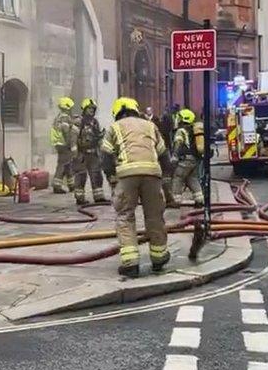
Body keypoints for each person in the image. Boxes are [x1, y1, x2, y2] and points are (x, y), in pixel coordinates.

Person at [101, 97, 173, 278]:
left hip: (126, 175)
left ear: (117, 113)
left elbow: (105, 155)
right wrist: (165, 178)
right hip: (152, 174)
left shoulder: (115, 127)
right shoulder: (150, 125)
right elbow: (164, 154)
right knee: (155, 216)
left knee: (125, 216)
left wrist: (111, 177)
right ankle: (159, 257)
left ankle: (131, 263)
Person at [72, 98, 106, 205]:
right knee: (81, 175)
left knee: (96, 175)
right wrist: (74, 151)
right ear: (85, 109)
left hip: (93, 153)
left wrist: (102, 149)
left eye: (93, 109)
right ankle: (80, 198)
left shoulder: (95, 122)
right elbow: (73, 137)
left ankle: (99, 197)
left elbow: (98, 138)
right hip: (81, 153)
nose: (91, 110)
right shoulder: (78, 121)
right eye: (89, 108)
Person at [171, 108, 204, 206]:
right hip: (194, 159)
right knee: (192, 178)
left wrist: (175, 156)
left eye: (179, 117)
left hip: (185, 159)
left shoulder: (181, 131)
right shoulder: (193, 130)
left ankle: (175, 200)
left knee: (178, 177)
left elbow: (178, 143)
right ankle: (199, 199)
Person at [50, 97, 76, 193]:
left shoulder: (59, 117)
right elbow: (66, 132)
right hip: (64, 144)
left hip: (59, 144)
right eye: (71, 107)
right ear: (67, 107)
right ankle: (57, 186)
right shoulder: (65, 118)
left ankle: (72, 185)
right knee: (62, 165)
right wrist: (71, 144)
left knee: (68, 164)